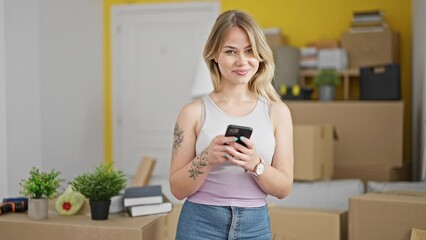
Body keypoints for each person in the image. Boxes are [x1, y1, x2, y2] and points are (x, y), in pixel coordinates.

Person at [169, 9, 294, 240]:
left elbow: (284, 188)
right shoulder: (192, 113)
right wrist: (207, 158)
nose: (242, 61)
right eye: (230, 51)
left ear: (260, 55)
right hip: (199, 224)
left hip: (255, 227)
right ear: (214, 55)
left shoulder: (277, 112)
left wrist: (255, 164)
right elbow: (177, 189)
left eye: (250, 51)